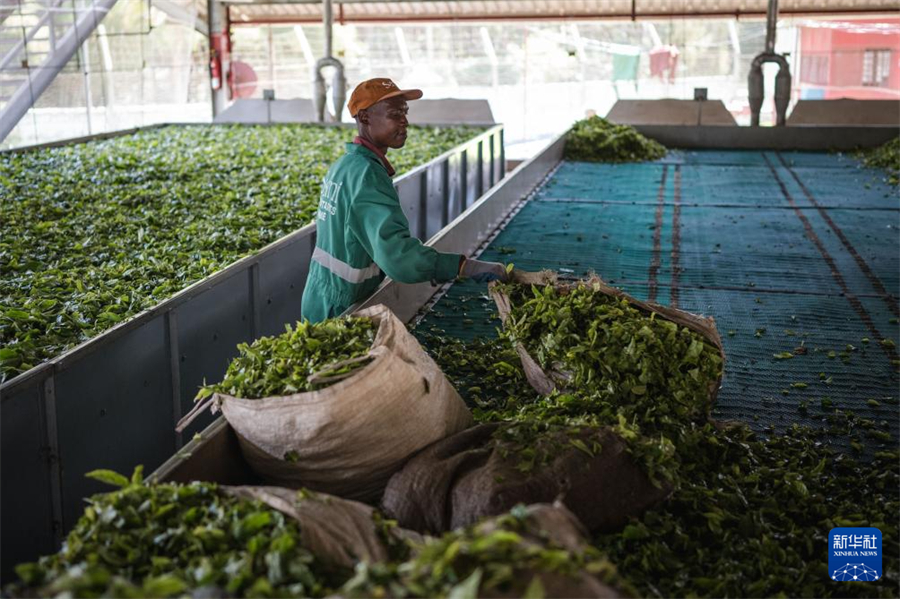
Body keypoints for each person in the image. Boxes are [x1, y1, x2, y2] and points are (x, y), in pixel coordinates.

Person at [301, 78, 508, 323]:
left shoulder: (345, 165)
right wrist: (464, 266)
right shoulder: (367, 175)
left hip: (321, 295)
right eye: (395, 114)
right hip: (341, 309)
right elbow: (399, 259)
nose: (405, 121)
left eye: (405, 112)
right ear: (365, 117)